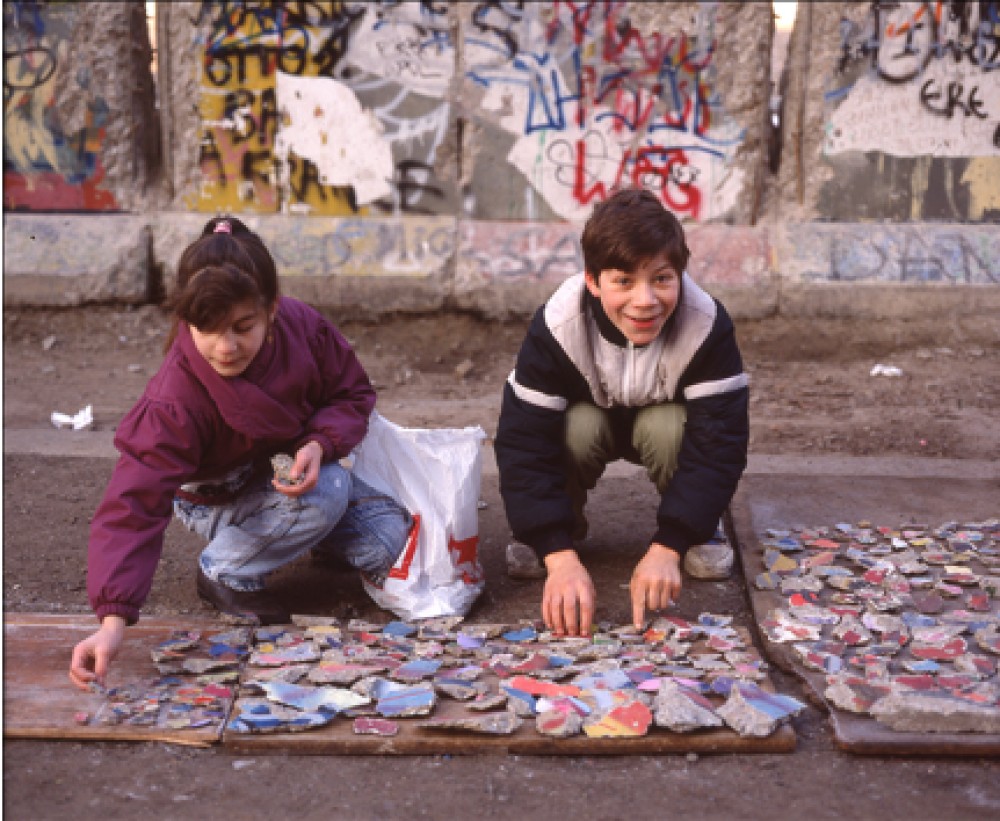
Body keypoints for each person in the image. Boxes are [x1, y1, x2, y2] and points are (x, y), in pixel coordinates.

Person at [68, 216, 411, 691]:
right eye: (206, 330)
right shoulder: (174, 399)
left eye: (242, 327)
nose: (225, 348)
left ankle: (296, 532)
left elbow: (350, 394)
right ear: (185, 318)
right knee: (329, 489)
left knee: (389, 539)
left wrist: (319, 443)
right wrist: (112, 620)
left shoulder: (303, 326)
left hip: (284, 469)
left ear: (272, 309)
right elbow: (133, 504)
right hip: (213, 495)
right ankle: (223, 569)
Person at [494, 188, 749, 637]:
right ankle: (556, 531)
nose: (645, 300)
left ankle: (700, 529)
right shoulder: (557, 323)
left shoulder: (707, 323)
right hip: (590, 419)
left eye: (661, 279)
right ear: (593, 280)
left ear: (680, 274)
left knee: (671, 427)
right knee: (577, 425)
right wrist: (558, 556)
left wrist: (669, 545)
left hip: (660, 420)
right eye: (624, 281)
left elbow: (720, 443)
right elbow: (523, 443)